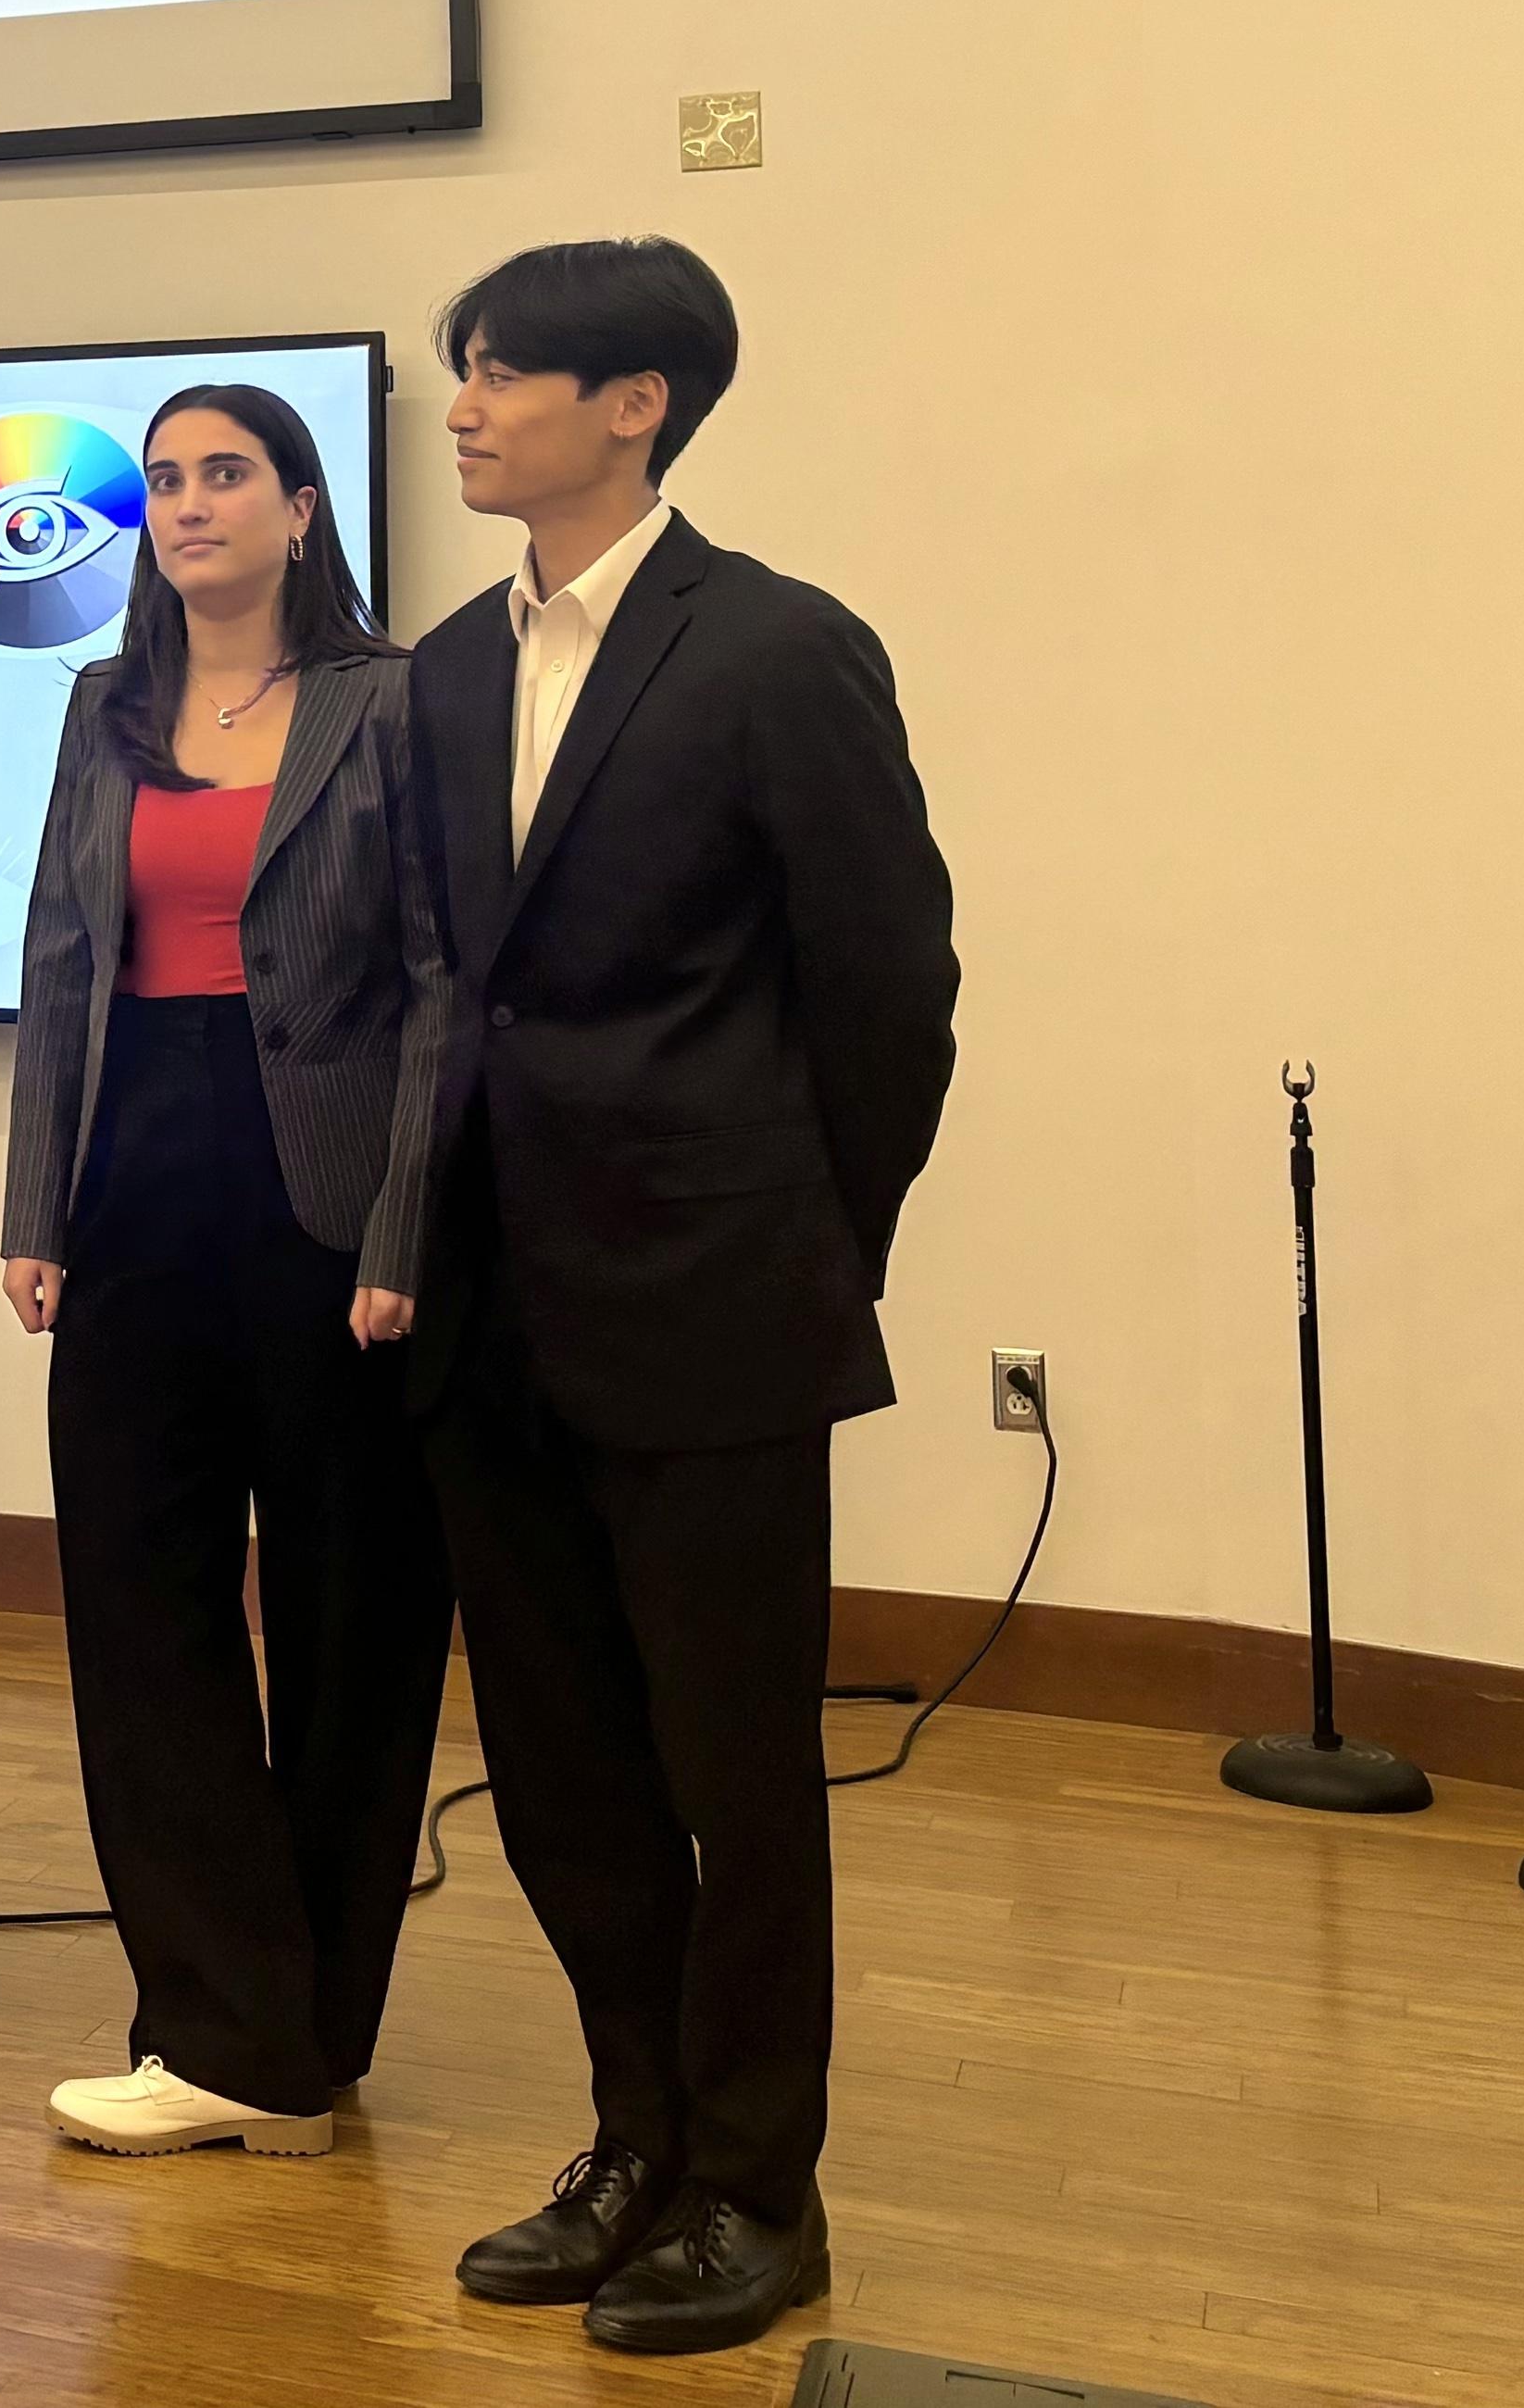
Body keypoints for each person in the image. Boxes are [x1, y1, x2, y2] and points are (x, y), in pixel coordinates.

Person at [401, 241, 959, 2357]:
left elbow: (889, 990)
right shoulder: (453, 668)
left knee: (738, 1770)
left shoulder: (780, 648)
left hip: (716, 1301)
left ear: (636, 402)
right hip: (492, 1306)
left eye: (504, 372)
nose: (464, 404)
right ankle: (631, 2139)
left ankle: (759, 2187)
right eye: (460, 369)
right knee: (557, 1768)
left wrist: (817, 1250)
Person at [0, 382, 460, 2161]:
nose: (187, 505)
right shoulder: (105, 711)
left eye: (224, 475)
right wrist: (36, 1206)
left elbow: (438, 986)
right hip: (133, 1193)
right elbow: (57, 962)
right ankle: (214, 2026)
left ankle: (308, 2037)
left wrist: (408, 1227)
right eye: (167, 480)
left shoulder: (389, 701)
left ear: (301, 504)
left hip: (329, 1212)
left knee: (353, 1628)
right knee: (141, 1614)